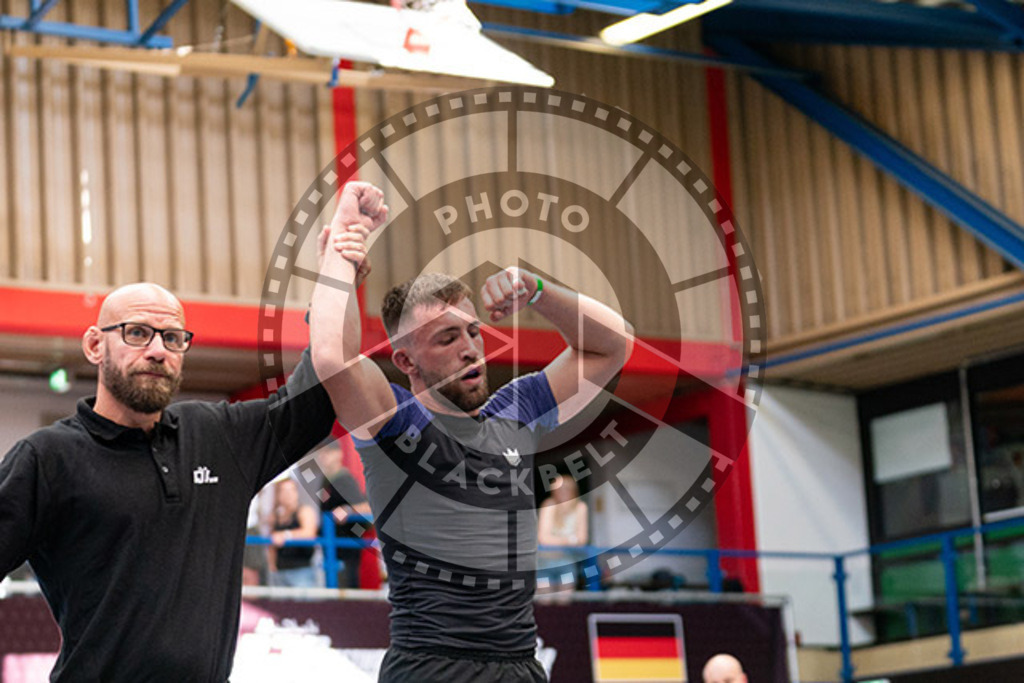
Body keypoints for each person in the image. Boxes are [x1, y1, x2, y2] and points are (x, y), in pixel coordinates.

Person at [0, 184, 375, 682]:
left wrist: (337, 273)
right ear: (95, 345)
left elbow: (324, 383)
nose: (158, 350)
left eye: (173, 338)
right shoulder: (48, 458)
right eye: (137, 333)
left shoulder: (219, 436)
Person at [310, 182, 634, 682]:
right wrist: (341, 252)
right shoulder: (395, 423)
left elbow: (613, 346)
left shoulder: (515, 410)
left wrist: (539, 292)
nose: (470, 349)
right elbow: (333, 356)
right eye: (447, 338)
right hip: (432, 669)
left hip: (520, 665)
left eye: (473, 332)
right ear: (406, 361)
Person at [317, 443, 373, 588]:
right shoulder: (327, 480)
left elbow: (367, 508)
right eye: (321, 453)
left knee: (345, 596)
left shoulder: (343, 479)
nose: (323, 457)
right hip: (333, 550)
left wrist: (347, 510)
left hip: (346, 550)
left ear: (338, 454)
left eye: (327, 452)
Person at [537, 474, 588, 591]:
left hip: (567, 562)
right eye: (557, 489)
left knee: (564, 602)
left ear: (572, 490)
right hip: (544, 561)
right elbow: (543, 539)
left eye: (565, 489)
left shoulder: (580, 507)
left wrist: (555, 540)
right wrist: (571, 540)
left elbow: (582, 540)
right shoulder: (548, 505)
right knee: (544, 602)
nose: (561, 492)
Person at [268, 477, 321, 587]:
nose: (288, 495)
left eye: (291, 490)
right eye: (284, 491)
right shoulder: (276, 516)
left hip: (301, 570)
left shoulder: (304, 511)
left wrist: (285, 535)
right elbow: (272, 543)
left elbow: (309, 533)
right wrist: (272, 565)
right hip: (280, 571)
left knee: (304, 604)